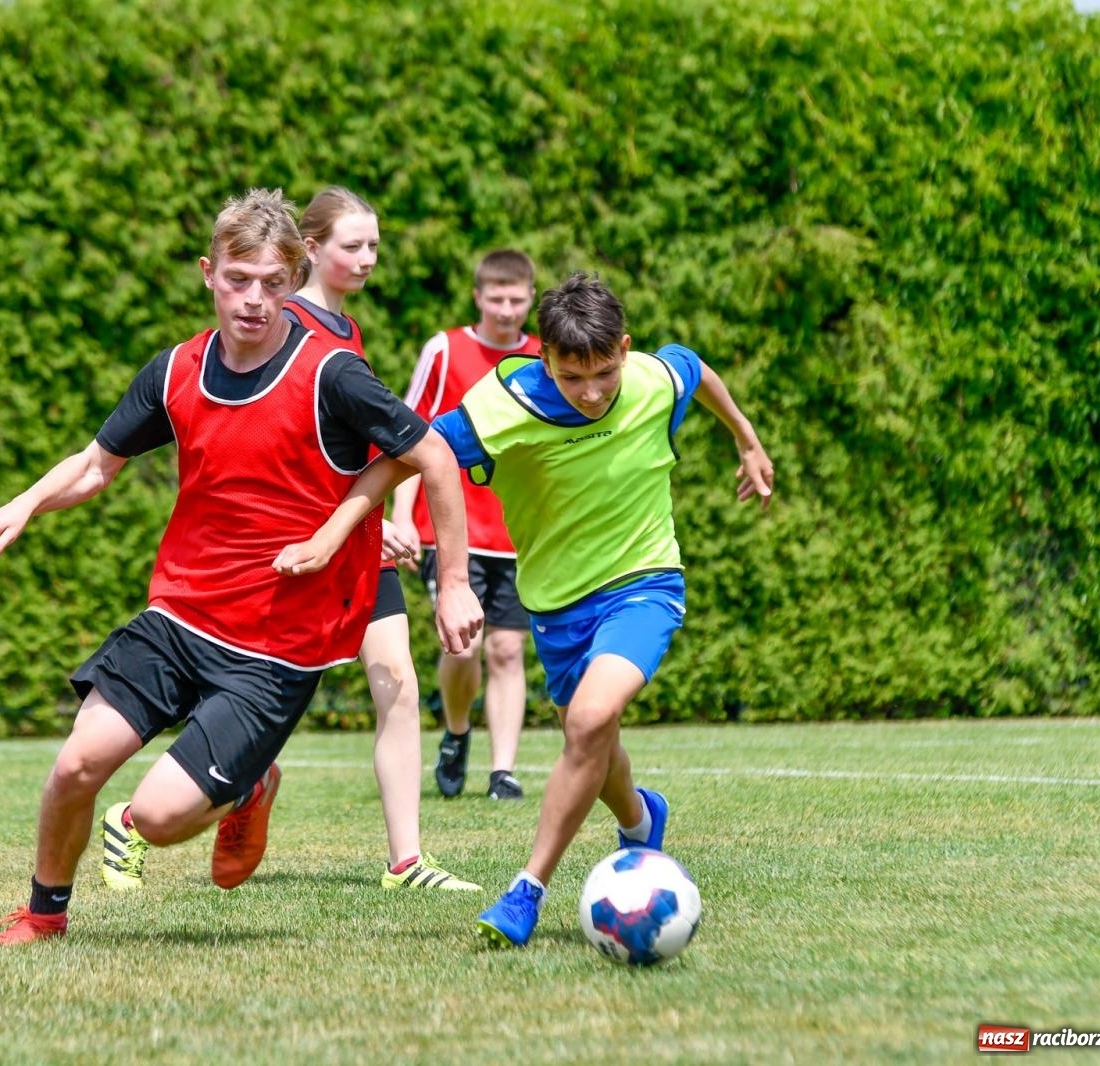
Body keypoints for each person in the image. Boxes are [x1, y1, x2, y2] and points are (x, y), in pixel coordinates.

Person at [0, 189, 484, 946]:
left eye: (273, 282)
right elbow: (96, 466)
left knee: (162, 821)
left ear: (292, 278)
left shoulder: (332, 373)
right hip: (179, 615)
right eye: (239, 279)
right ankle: (44, 915)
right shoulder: (175, 370)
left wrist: (453, 581)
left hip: (274, 647)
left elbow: (430, 453)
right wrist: (22, 504)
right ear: (209, 274)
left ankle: (249, 785)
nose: (255, 300)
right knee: (78, 765)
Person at [281, 271, 774, 949]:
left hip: (645, 583)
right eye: (575, 377)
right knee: (589, 733)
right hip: (557, 605)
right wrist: (337, 530)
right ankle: (640, 820)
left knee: (592, 720)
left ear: (625, 348)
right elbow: (411, 456)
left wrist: (748, 441)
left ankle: (527, 891)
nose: (595, 391)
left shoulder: (653, 381)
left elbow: (696, 368)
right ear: (547, 360)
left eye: (607, 371)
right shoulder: (502, 403)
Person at [283, 186, 481, 891]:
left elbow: (361, 447)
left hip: (355, 538)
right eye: (351, 245)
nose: (367, 258)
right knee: (244, 700)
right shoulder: (280, 325)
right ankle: (137, 819)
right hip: (291, 544)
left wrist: (379, 522)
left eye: (373, 245)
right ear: (310, 248)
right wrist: (339, 526)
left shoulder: (346, 329)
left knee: (396, 682)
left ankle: (407, 862)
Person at [390, 249, 541, 802]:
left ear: (530, 298)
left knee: (507, 650)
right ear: (478, 297)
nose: (506, 309)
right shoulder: (445, 349)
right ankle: (456, 734)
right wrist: (400, 515)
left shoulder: (547, 357)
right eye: (495, 298)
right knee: (462, 648)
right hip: (451, 530)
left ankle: (503, 771)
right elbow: (411, 436)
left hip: (520, 533)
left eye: (516, 299)